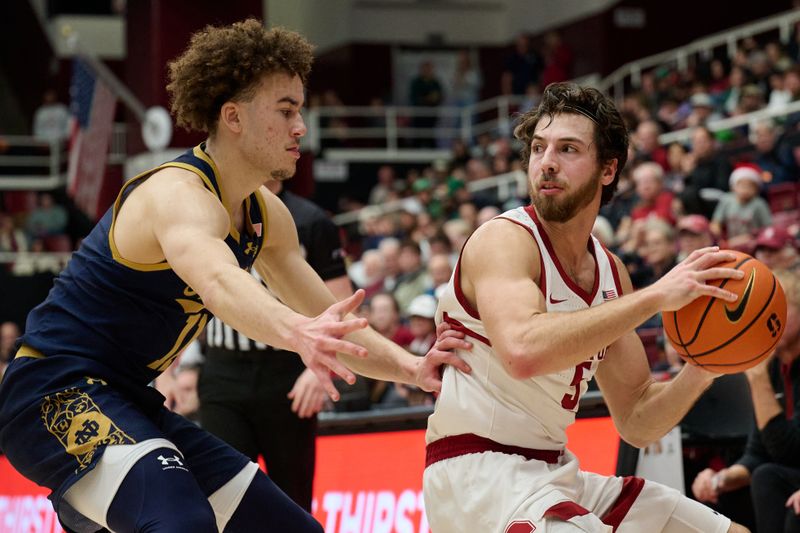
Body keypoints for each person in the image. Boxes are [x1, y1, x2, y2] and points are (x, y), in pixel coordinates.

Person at [0, 20, 470, 533]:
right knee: (182, 522)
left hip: (128, 398)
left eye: (300, 111)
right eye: (286, 110)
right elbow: (220, 283)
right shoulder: (177, 194)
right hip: (52, 388)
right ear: (233, 117)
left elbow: (329, 317)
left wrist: (412, 368)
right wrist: (297, 332)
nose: (300, 127)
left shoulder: (266, 214)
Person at [422, 82, 749, 533]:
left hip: (554, 471)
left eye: (568, 149)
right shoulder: (504, 240)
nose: (546, 162)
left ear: (608, 169)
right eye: (539, 148)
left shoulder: (611, 274)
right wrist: (655, 296)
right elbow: (522, 351)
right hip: (476, 473)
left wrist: (705, 367)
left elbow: (637, 419)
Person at [197, 177, 351, 512]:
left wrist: (318, 370)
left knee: (291, 499)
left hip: (288, 374)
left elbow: (341, 305)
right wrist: (174, 370)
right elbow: (187, 291)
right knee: (220, 495)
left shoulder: (310, 219)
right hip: (223, 371)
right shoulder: (209, 210)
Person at [692, 269, 800, 533]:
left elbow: (791, 451)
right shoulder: (774, 368)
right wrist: (720, 479)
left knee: (768, 478)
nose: (767, 317)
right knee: (725, 496)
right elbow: (759, 452)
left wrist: (756, 378)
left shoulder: (764, 372)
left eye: (780, 307)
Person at [710, 163, 772, 250]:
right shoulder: (727, 199)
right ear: (733, 186)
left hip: (753, 244)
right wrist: (717, 237)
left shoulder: (760, 204)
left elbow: (768, 227)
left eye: (750, 186)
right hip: (730, 243)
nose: (745, 190)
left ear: (756, 189)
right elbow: (716, 222)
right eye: (742, 185)